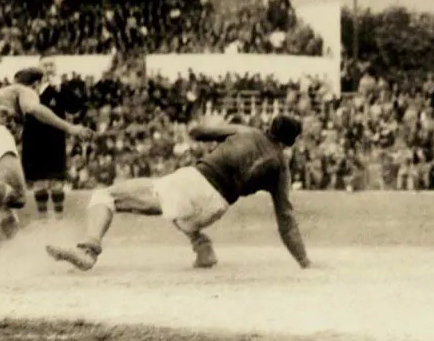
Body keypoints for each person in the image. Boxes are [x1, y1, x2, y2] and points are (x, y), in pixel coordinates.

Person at [46, 114, 312, 271]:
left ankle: (88, 249)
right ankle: (203, 247)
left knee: (105, 195)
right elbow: (286, 219)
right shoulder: (281, 167)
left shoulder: (247, 131)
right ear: (291, 141)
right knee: (175, 206)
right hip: (216, 207)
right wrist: (304, 260)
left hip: (196, 183)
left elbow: (197, 131)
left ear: (270, 127)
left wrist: (212, 124)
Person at [0, 67, 94, 237]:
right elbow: (33, 109)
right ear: (36, 83)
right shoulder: (24, 90)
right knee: (19, 197)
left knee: (5, 203)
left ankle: (12, 245)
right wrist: (70, 128)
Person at [21, 57, 79, 219]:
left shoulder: (60, 89)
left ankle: (59, 219)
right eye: (45, 65)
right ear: (38, 68)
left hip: (54, 141)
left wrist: (61, 89)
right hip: (33, 141)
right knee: (39, 183)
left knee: (56, 183)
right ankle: (43, 220)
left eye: (51, 65)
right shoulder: (28, 89)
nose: (48, 68)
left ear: (56, 68)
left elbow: (75, 107)